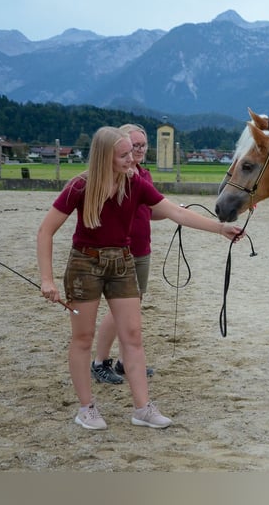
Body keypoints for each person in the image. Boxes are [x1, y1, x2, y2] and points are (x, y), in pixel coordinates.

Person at [37, 126, 242, 430]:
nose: (132, 160)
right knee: (82, 338)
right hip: (84, 265)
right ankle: (86, 408)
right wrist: (47, 279)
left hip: (123, 262)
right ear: (105, 157)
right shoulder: (80, 186)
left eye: (132, 153)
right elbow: (45, 231)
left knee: (132, 336)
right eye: (124, 155)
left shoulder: (136, 184)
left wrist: (219, 228)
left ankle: (142, 409)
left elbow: (176, 212)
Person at [91, 123, 155, 385]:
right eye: (133, 145)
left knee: (132, 307)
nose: (137, 150)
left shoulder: (144, 175)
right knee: (120, 311)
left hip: (142, 250)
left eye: (142, 145)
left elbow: (152, 210)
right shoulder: (116, 177)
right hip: (123, 251)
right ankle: (100, 362)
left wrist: (177, 212)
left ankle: (124, 361)